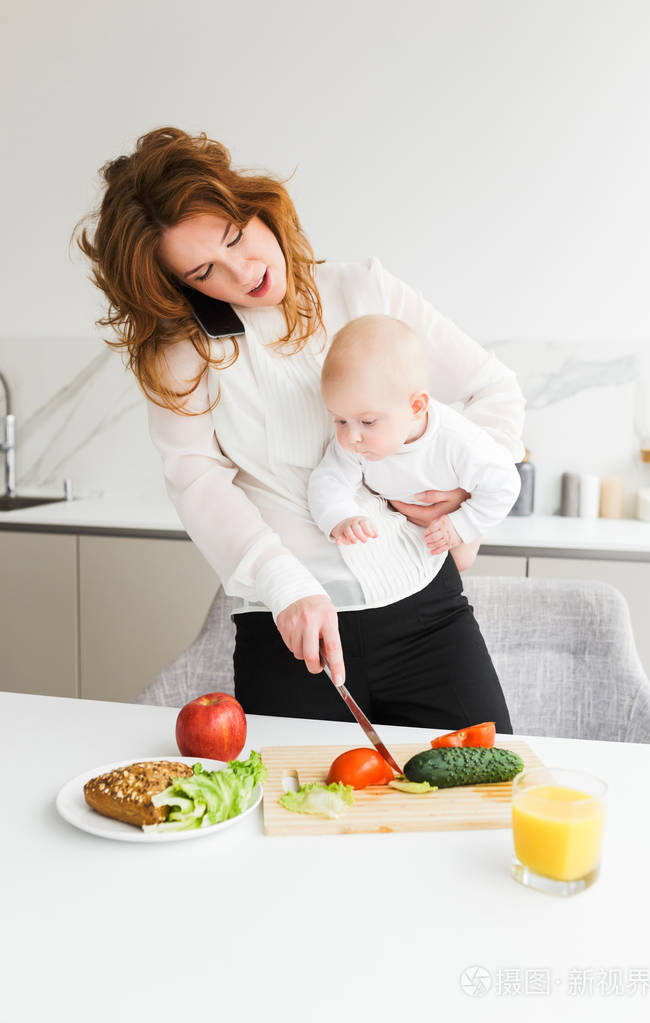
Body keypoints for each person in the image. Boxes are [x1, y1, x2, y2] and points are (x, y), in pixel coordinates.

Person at [75, 125, 525, 731]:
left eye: (236, 237)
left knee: (486, 796)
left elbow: (493, 388)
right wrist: (285, 584)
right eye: (206, 270)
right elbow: (198, 485)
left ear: (255, 208)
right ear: (180, 286)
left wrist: (465, 499)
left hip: (428, 615)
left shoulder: (364, 288)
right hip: (292, 633)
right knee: (300, 815)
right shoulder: (182, 356)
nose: (242, 271)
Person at [307, 314, 521, 571]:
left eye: (368, 422)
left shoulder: (458, 441)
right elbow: (330, 480)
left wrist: (460, 524)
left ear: (416, 407)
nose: (351, 437)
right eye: (340, 421)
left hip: (450, 513)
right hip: (397, 520)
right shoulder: (356, 440)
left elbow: (505, 485)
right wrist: (341, 517)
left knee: (459, 561)